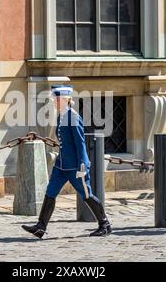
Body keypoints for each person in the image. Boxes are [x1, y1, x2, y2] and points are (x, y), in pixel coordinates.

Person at [21, 85, 112, 238]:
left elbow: (80, 142)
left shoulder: (73, 117)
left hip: (74, 167)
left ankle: (104, 224)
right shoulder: (62, 116)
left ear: (64, 100)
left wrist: (82, 164)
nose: (54, 101)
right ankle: (41, 226)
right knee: (50, 193)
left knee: (86, 194)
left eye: (56, 99)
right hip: (61, 166)